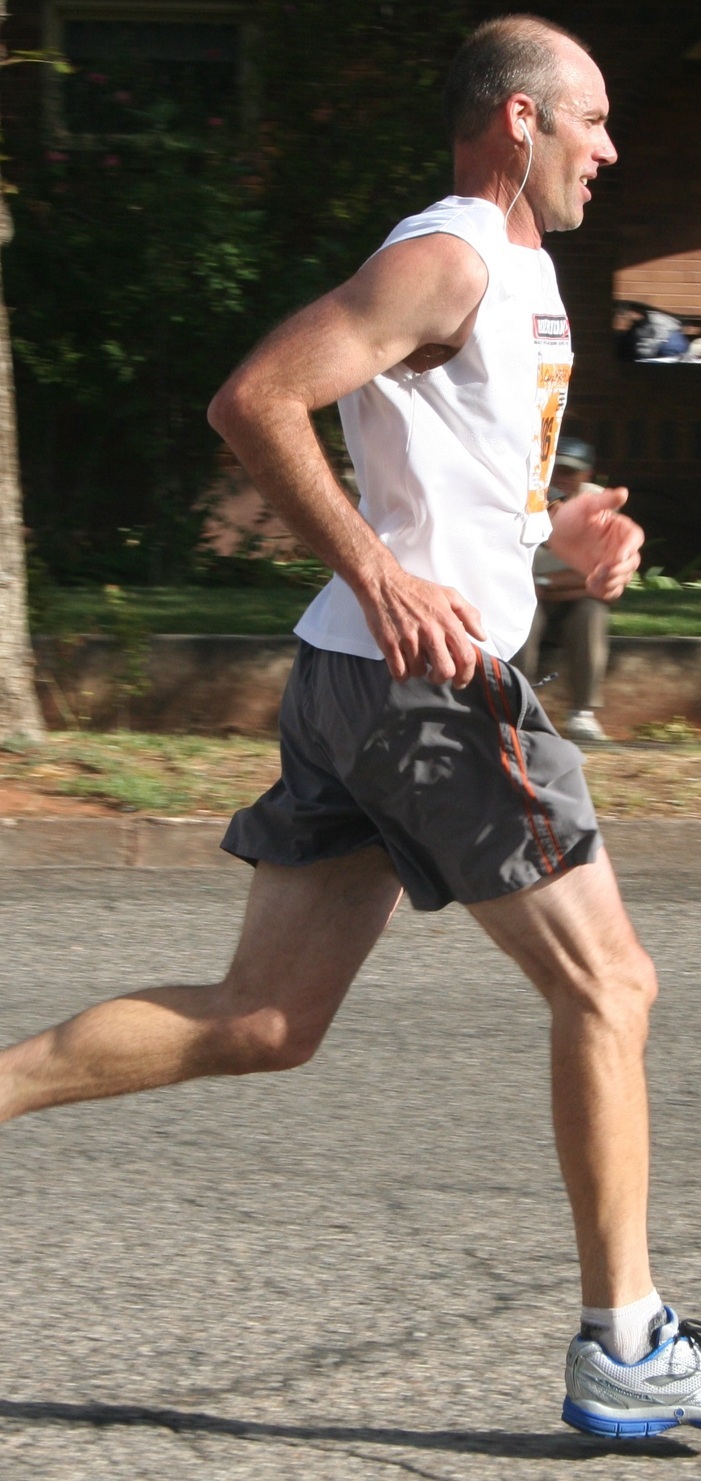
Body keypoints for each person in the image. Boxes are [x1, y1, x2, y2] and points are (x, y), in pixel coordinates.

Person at [2, 14, 700, 1438]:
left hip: (353, 683)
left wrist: (553, 543)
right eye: (590, 119)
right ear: (519, 118)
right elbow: (254, 399)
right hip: (420, 687)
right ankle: (625, 1344)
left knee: (264, 1018)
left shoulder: (516, 270)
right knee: (610, 983)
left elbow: (448, 487)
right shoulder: (447, 252)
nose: (609, 147)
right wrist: (378, 572)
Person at [514, 436, 612, 743]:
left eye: (571, 471)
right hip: (529, 597)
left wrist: (544, 584)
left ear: (587, 474)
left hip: (567, 599)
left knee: (591, 614)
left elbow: (601, 578)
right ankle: (518, 707)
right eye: (557, 469)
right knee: (524, 616)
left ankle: (582, 712)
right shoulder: (523, 497)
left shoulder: (601, 507)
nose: (562, 477)